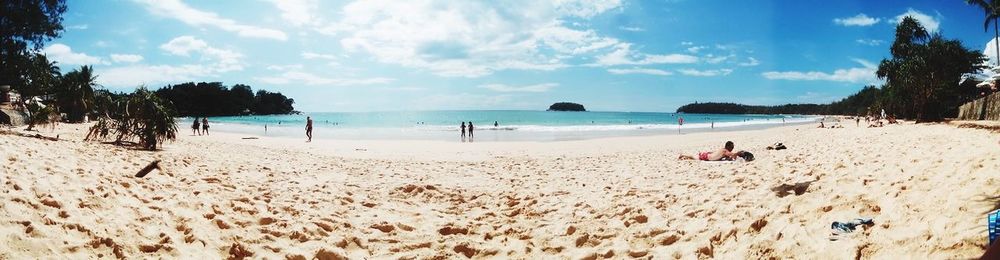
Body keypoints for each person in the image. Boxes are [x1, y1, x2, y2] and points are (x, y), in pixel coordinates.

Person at [678, 141, 743, 161]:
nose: (732, 148)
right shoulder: (725, 151)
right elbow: (733, 154)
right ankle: (683, 155)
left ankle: (684, 157)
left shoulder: (723, 150)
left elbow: (728, 157)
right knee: (693, 157)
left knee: (694, 158)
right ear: (728, 146)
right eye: (732, 147)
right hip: (707, 157)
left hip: (708, 155)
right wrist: (739, 153)